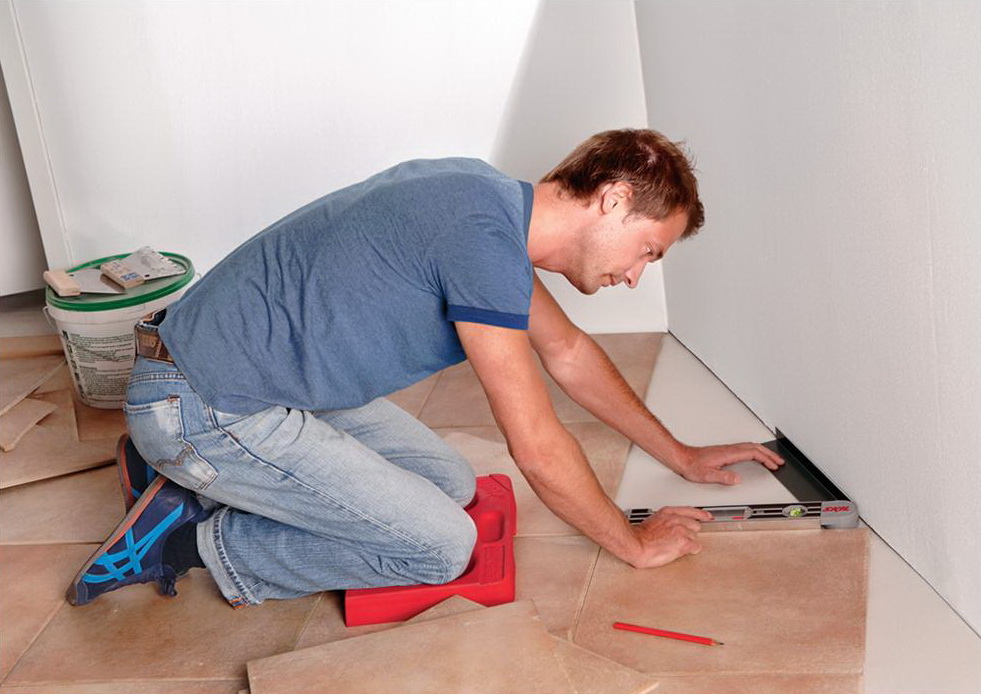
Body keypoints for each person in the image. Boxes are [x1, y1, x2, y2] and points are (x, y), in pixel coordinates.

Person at [67, 129, 783, 608]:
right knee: (438, 546)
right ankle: (187, 540)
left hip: (248, 379)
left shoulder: (486, 205)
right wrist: (631, 544)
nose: (635, 275)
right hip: (204, 402)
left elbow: (568, 353)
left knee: (452, 484)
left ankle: (175, 474)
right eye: (648, 250)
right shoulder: (481, 240)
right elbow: (536, 446)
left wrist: (680, 455)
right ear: (614, 199)